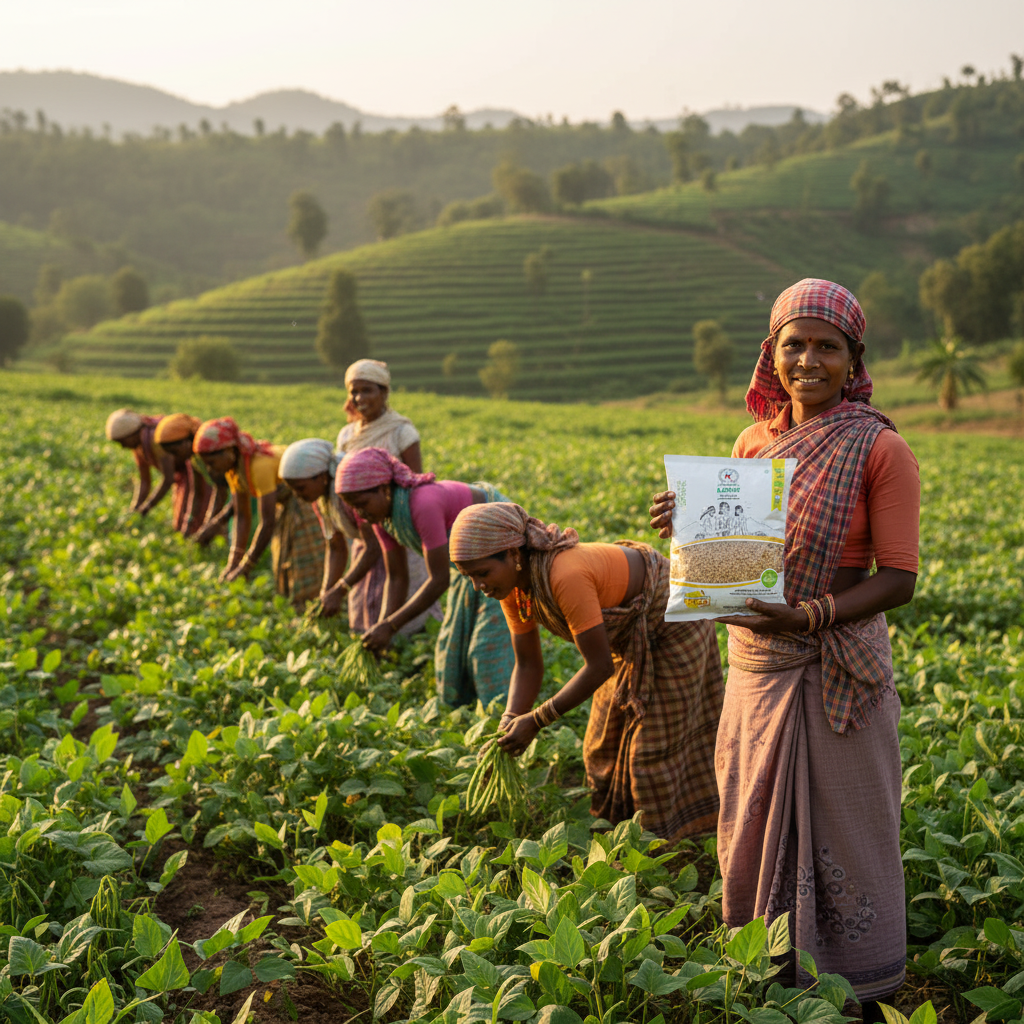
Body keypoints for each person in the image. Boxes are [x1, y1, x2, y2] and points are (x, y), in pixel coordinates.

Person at [650, 278, 919, 1015]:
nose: (809, 360)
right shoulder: (751, 443)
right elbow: (737, 558)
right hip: (756, 663)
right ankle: (763, 964)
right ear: (772, 354)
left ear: (852, 357)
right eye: (793, 345)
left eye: (826, 346)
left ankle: (852, 984)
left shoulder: (880, 448)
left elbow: (899, 577)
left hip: (833, 659)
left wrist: (808, 617)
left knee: (849, 823)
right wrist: (689, 524)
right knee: (751, 811)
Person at [449, 502, 724, 843]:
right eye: (469, 577)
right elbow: (528, 663)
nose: (478, 586)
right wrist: (510, 718)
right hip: (627, 639)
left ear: (512, 554)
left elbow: (599, 667)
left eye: (483, 573)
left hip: (675, 623)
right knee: (602, 742)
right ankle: (616, 832)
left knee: (652, 750)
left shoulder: (565, 575)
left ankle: (662, 843)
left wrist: (536, 720)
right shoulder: (514, 590)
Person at [336, 447, 514, 707]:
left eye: (363, 504)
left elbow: (439, 579)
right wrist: (382, 625)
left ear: (385, 489)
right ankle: (469, 711)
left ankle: (505, 714)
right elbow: (397, 577)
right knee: (452, 649)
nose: (360, 513)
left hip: (497, 553)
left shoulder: (422, 504)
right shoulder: (383, 519)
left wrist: (391, 625)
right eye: (354, 508)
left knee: (486, 648)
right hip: (469, 567)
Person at [278, 438, 436, 634]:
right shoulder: (321, 502)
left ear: (321, 477)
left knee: (403, 616)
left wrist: (341, 588)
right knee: (367, 614)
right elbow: (335, 546)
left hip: (393, 550)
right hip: (367, 553)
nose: (297, 495)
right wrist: (327, 592)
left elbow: (374, 546)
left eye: (301, 488)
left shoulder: (351, 493)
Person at [334, 358, 437, 632]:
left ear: (384, 392)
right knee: (367, 596)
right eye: (354, 392)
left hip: (398, 526)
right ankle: (373, 638)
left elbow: (415, 481)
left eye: (367, 390)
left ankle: (405, 640)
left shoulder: (402, 432)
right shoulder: (346, 435)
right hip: (365, 528)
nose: (359, 398)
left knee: (407, 584)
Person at [192, 418, 322, 604]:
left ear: (229, 451)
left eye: (212, 462)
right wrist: (234, 562)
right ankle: (293, 604)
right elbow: (241, 515)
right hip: (285, 504)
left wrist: (246, 566)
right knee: (282, 555)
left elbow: (267, 522)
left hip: (304, 499)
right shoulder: (234, 471)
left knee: (304, 555)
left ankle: (312, 604)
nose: (211, 469)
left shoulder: (258, 466)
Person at [152, 414, 225, 538]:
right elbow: (196, 493)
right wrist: (189, 523)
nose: (175, 457)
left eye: (175, 451)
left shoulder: (212, 457)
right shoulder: (194, 460)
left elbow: (222, 492)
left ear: (187, 442)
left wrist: (209, 525)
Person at [104, 408, 176, 521]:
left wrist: (147, 506)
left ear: (132, 433)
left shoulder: (155, 439)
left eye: (123, 442)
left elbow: (168, 479)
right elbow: (145, 480)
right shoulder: (139, 446)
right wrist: (135, 508)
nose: (123, 447)